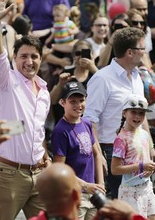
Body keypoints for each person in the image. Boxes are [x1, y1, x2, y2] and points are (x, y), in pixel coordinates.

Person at [0, 0, 51, 219]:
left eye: (34, 56)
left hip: (39, 175)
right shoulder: (7, 80)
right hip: (8, 176)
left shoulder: (44, 91)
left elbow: (34, 129)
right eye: (23, 56)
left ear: (41, 60)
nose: (29, 61)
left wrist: (44, 154)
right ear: (15, 59)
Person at [84, 27, 155, 199]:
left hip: (138, 148)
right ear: (130, 52)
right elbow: (89, 119)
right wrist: (98, 154)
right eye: (142, 48)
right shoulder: (102, 79)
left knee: (140, 202)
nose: (145, 52)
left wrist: (150, 146)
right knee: (125, 203)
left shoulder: (137, 76)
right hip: (111, 150)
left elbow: (141, 115)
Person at [51, 81, 105, 220]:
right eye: (73, 101)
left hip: (94, 194)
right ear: (63, 103)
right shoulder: (60, 130)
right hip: (74, 195)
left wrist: (101, 185)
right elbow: (59, 169)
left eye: (81, 100)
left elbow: (97, 154)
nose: (78, 105)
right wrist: (85, 185)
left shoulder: (86, 122)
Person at [111, 94, 155, 219]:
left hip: (147, 187)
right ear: (124, 113)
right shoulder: (121, 139)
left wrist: (149, 169)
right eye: (133, 112)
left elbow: (145, 161)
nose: (137, 117)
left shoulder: (144, 134)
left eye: (141, 113)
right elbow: (115, 169)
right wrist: (142, 166)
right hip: (130, 192)